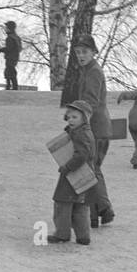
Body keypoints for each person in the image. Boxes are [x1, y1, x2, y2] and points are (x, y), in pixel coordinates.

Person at [61, 35, 114, 226]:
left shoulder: (93, 72)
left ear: (93, 52)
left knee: (92, 170)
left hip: (96, 128)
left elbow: (90, 101)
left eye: (85, 52)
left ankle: (104, 209)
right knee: (90, 169)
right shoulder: (87, 70)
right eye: (77, 52)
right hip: (93, 125)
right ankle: (95, 213)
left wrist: (76, 117)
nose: (81, 55)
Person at [47, 99, 99, 246]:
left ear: (85, 118)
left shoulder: (81, 134)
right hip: (85, 174)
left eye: (75, 117)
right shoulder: (83, 132)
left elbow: (81, 155)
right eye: (69, 117)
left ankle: (62, 234)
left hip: (74, 174)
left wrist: (67, 167)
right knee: (80, 205)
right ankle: (83, 236)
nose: (70, 120)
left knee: (62, 203)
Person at [0, 21, 22, 90]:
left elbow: (9, 49)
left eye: (6, 27)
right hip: (15, 58)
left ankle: (11, 87)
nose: (5, 29)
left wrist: (0, 49)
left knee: (9, 72)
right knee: (10, 71)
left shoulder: (10, 38)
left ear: (9, 28)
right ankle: (11, 87)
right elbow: (19, 48)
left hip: (10, 58)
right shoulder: (17, 37)